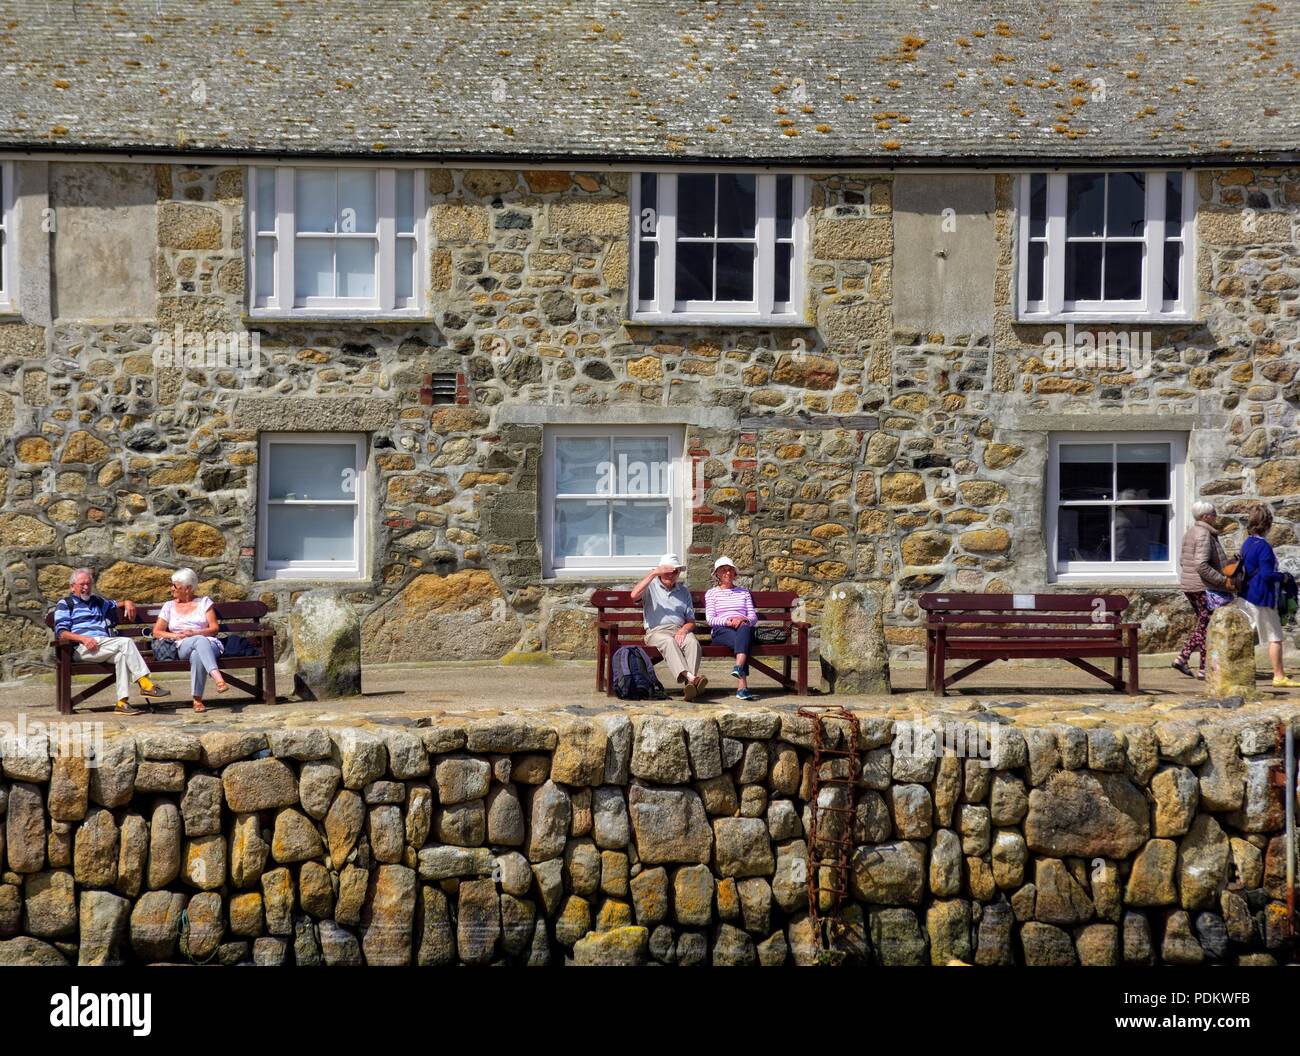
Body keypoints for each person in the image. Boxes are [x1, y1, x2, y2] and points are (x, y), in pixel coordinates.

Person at [52, 568, 170, 715]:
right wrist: (83, 638)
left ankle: (122, 703)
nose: (86, 588)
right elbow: (61, 632)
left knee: (121, 656)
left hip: (103, 646)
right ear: (72, 587)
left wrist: (127, 602)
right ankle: (145, 684)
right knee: (125, 643)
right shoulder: (65, 604)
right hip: (82, 648)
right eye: (82, 584)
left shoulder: (98, 601)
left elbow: (116, 604)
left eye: (88, 584)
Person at [629, 553, 708, 701]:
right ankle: (692, 679)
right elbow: (634, 595)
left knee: (692, 643)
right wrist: (653, 573)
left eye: (675, 572)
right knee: (669, 642)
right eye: (667, 571)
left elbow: (691, 621)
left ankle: (689, 687)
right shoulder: (650, 587)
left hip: (679, 629)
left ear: (679, 573)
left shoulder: (683, 592)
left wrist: (683, 630)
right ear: (660, 572)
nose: (671, 575)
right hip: (656, 631)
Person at [1237, 504, 1300, 689]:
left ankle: (1240, 672)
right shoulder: (1263, 546)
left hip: (1245, 595)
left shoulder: (1247, 543)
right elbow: (1266, 575)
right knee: (1275, 636)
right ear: (1267, 524)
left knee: (1246, 637)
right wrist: (1284, 576)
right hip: (1261, 597)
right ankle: (1279, 676)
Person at [151, 568, 227, 713]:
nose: (171, 589)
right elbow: (156, 632)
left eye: (175, 586)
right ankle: (217, 677)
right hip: (182, 645)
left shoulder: (204, 602)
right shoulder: (169, 606)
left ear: (188, 589)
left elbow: (214, 628)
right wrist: (176, 636)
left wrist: (195, 632)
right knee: (197, 641)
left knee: (197, 652)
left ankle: (197, 699)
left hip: (209, 644)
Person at [1173, 500, 1230, 680]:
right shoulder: (1204, 534)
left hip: (1190, 585)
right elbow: (1201, 565)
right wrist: (1222, 580)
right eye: (1214, 513)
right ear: (1206, 516)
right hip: (1201, 587)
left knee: (1204, 624)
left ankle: (1202, 668)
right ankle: (1185, 658)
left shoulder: (1191, 532)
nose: (1216, 517)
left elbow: (1183, 560)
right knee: (1206, 624)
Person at [705, 556, 760, 701]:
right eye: (723, 570)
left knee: (745, 629)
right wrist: (728, 621)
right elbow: (710, 619)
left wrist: (744, 619)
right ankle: (741, 681)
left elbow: (753, 617)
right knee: (743, 641)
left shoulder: (744, 592)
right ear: (717, 574)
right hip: (721, 630)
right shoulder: (711, 593)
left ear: (735, 573)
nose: (727, 573)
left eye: (730, 570)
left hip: (743, 627)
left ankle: (739, 672)